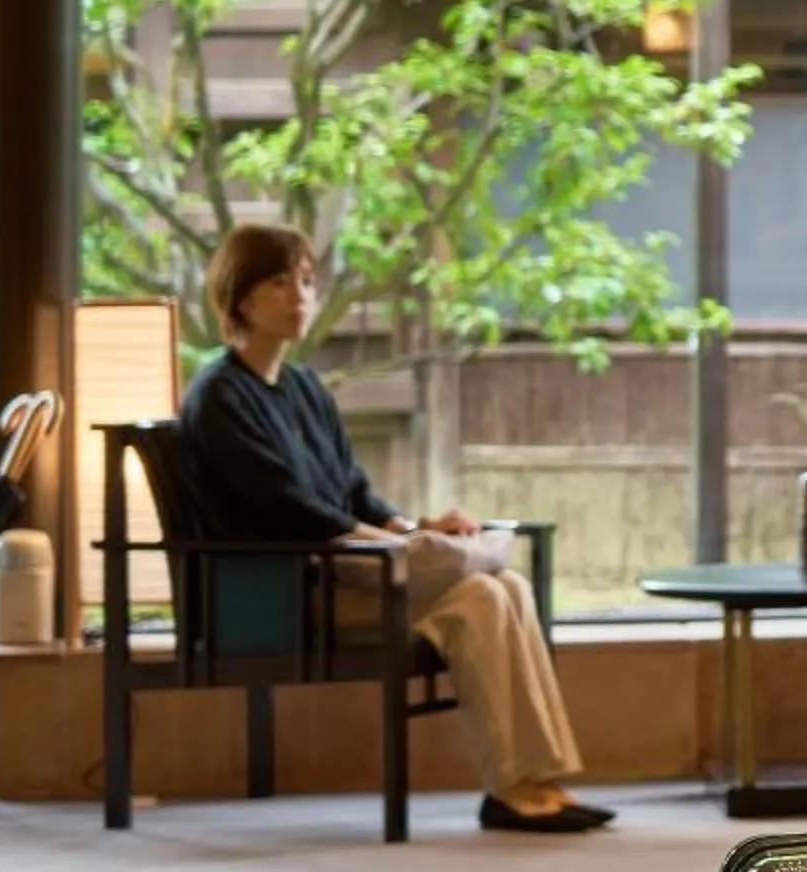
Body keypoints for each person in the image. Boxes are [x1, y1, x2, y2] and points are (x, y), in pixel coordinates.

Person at [178, 224, 608, 834]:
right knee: (482, 584)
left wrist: (412, 526)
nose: (301, 295)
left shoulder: (302, 386)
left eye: (306, 280)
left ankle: (534, 782)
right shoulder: (219, 396)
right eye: (280, 282)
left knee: (499, 589)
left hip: (357, 574)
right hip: (296, 591)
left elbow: (353, 488)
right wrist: (394, 545)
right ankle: (515, 786)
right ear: (241, 297)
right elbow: (288, 510)